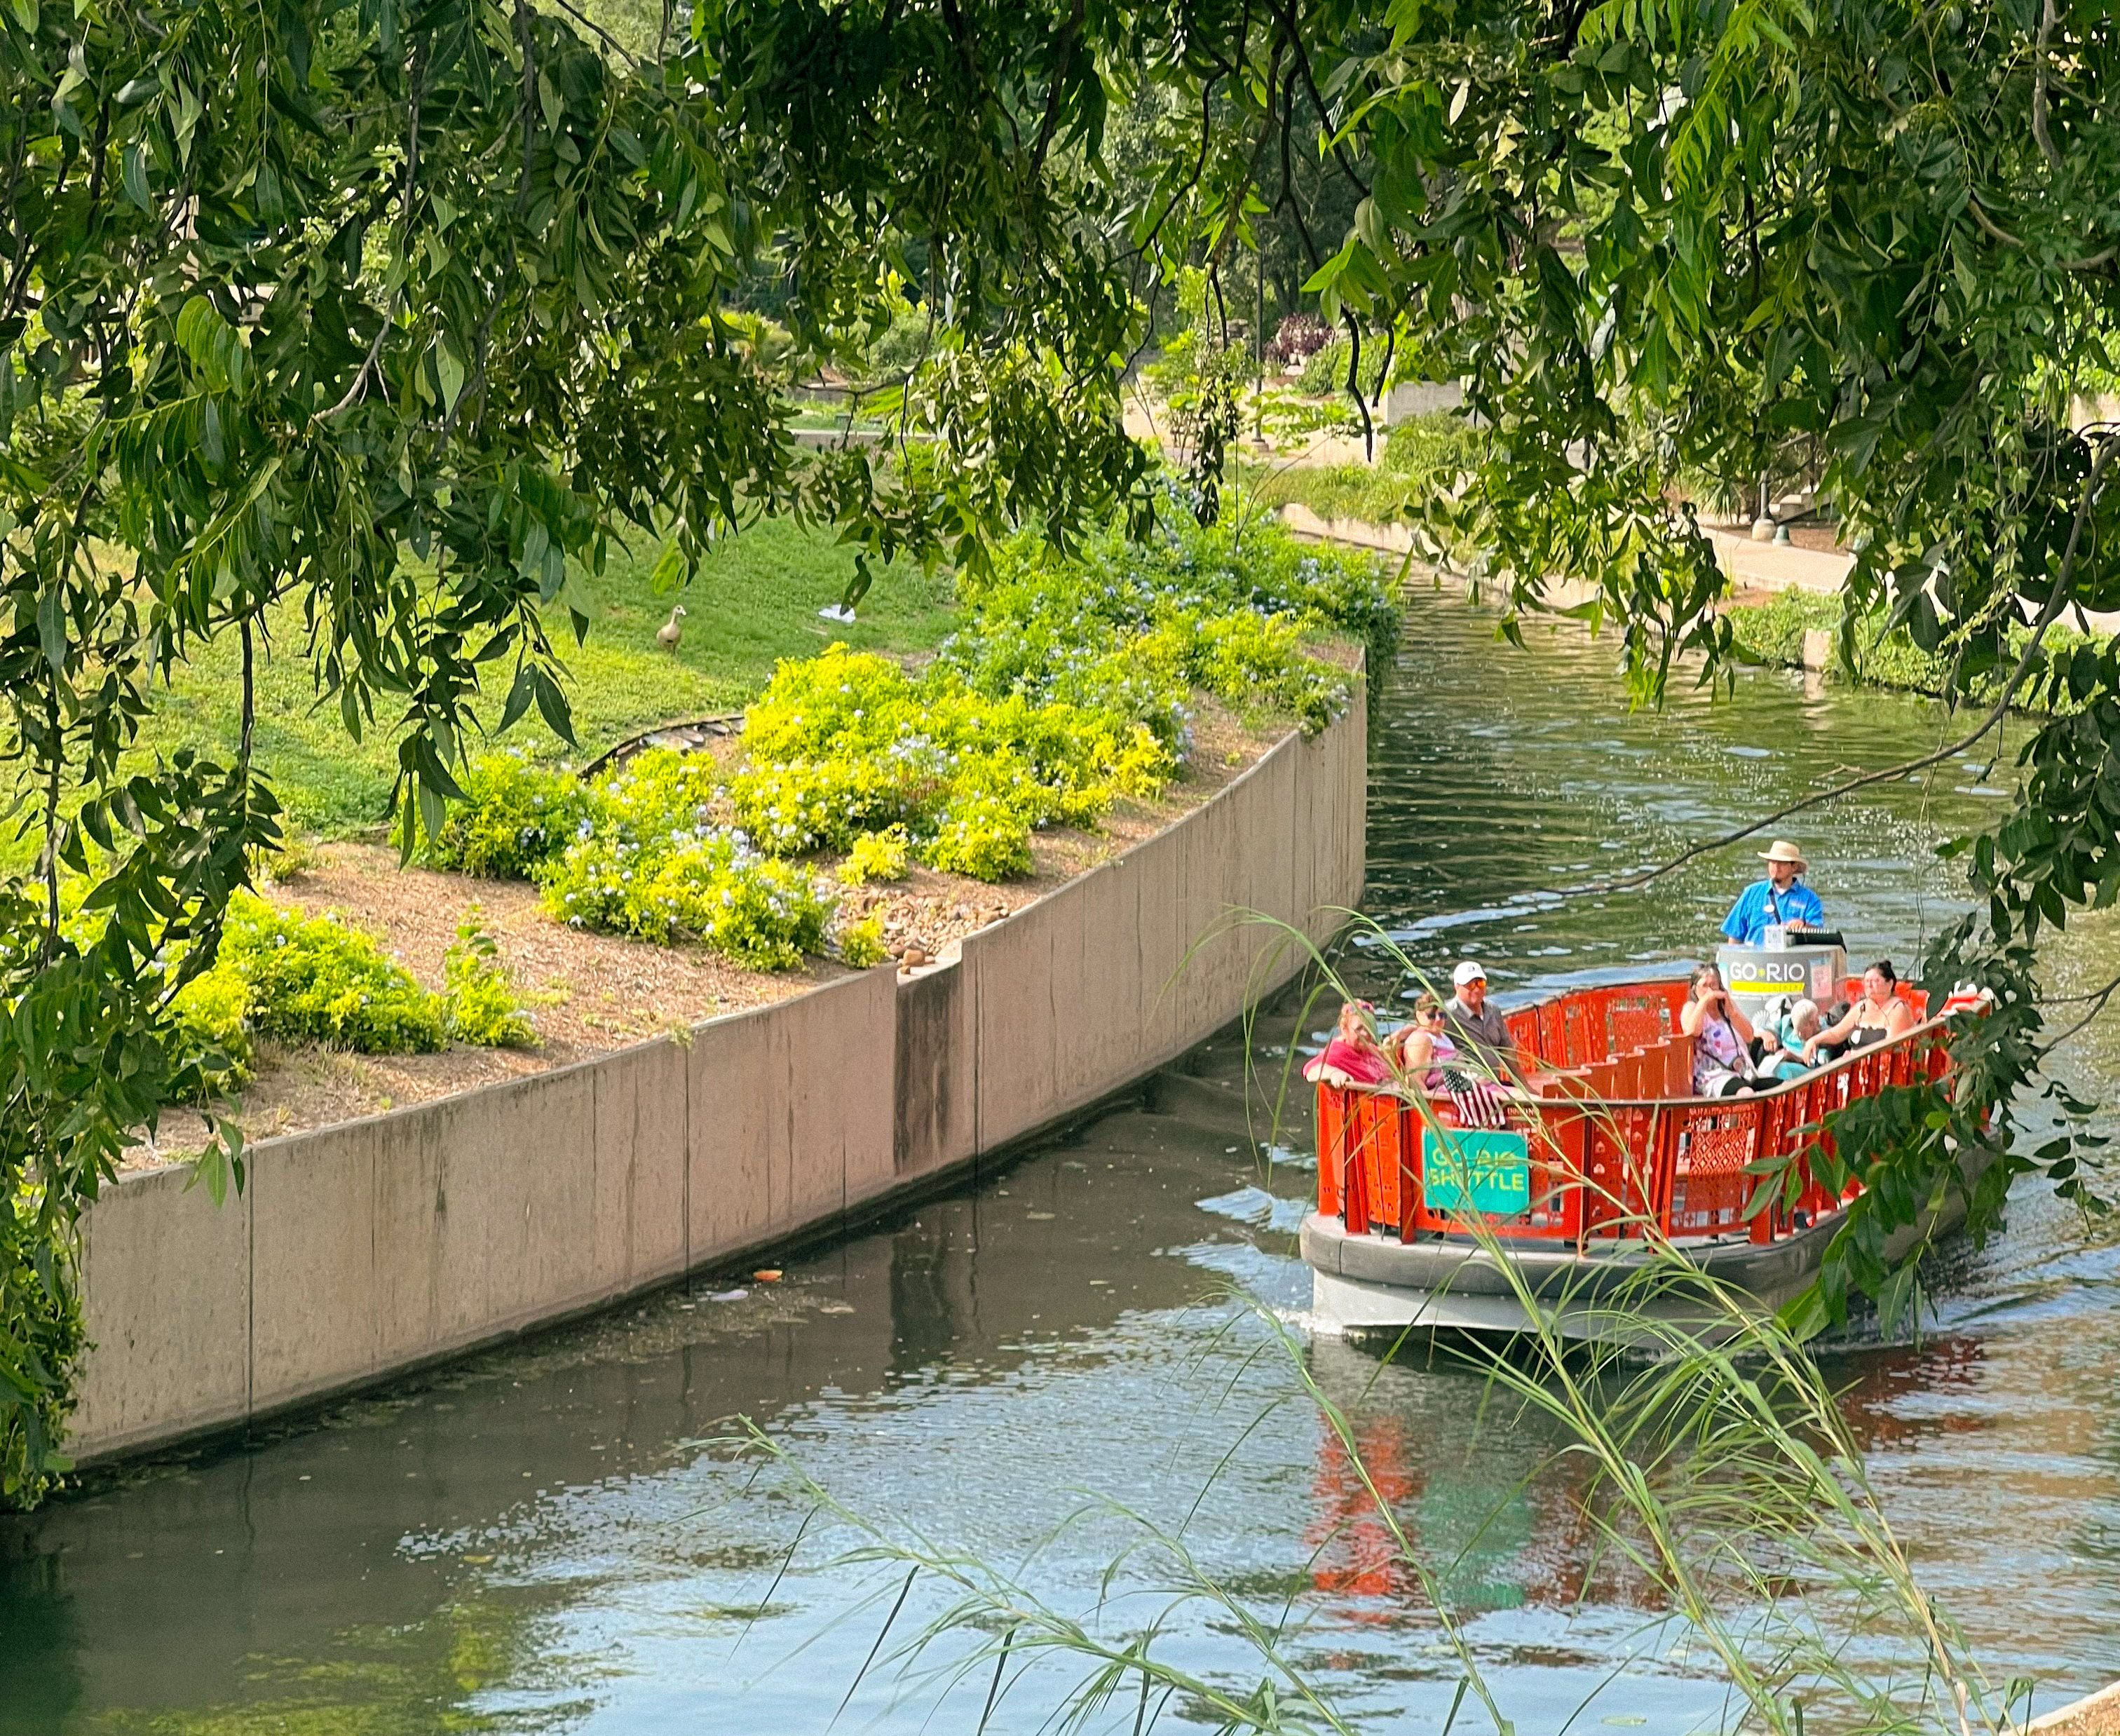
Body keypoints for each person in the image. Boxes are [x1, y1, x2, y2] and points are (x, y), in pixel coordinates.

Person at [1680, 963, 1765, 1097]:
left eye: (1714, 985)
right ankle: (1733, 1118)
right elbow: (1692, 1031)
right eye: (1705, 986)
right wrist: (1704, 1001)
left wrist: (1732, 1012)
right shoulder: (1691, 1007)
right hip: (1714, 1075)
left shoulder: (1727, 1008)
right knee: (1746, 1093)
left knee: (1781, 1086)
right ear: (1694, 989)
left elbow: (1749, 1036)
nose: (1710, 991)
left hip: (1743, 1071)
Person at [1805, 961, 1917, 1062]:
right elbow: (1837, 1033)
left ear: (1890, 984)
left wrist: (1856, 1055)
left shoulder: (1898, 1010)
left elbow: (1892, 1049)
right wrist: (1814, 1040)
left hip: (1884, 1069)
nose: (1869, 985)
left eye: (1875, 981)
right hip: (1854, 1067)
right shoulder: (1861, 1008)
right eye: (1867, 981)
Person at [1721, 839, 1826, 946]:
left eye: (1782, 863)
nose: (1776, 867)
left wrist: (1803, 926)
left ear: (1794, 867)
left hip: (1791, 960)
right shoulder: (1751, 893)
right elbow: (1735, 936)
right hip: (1753, 960)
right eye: (1772, 862)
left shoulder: (1810, 899)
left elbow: (1817, 932)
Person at [1443, 961, 1518, 1080]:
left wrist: (1524, 1085)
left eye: (1480, 983)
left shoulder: (1493, 1010)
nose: (1477, 989)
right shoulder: (1448, 1015)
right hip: (1470, 1087)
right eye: (1470, 985)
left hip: (1496, 1084)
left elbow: (1506, 1049)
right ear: (1457, 987)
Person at [1303, 999, 1392, 1087]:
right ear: (1344, 1029)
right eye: (1359, 1029)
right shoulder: (1339, 1052)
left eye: (1369, 1027)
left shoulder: (1368, 1048)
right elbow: (1309, 1070)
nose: (1365, 1033)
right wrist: (1334, 1073)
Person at [1385, 992, 1460, 1088]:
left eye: (1442, 1015)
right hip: (1442, 1097)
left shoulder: (1442, 1036)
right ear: (1419, 1015)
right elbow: (1414, 1081)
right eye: (1431, 1016)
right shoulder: (1421, 1040)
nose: (1438, 1019)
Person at [1757, 997, 1823, 1083]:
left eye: (1803, 1032)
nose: (1799, 1035)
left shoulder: (1824, 1033)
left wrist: (1794, 1057)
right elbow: (1757, 1031)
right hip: (1781, 1061)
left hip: (1812, 1074)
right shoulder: (1786, 1022)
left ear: (1813, 1023)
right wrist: (1765, 1034)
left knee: (1782, 1069)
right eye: (1797, 1031)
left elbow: (1823, 1063)